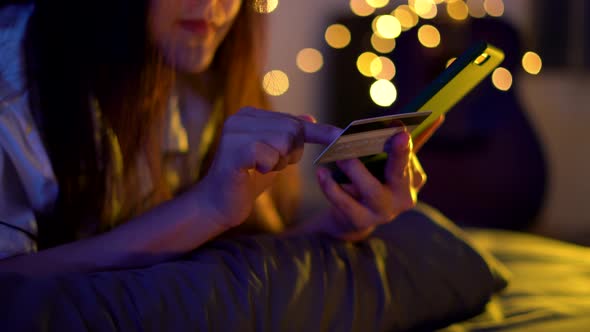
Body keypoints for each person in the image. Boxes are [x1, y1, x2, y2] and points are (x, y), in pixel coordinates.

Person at [0, 0, 443, 276]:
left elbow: (243, 250)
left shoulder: (207, 68)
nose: (215, 4)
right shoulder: (15, 83)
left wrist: (344, 223)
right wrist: (205, 208)